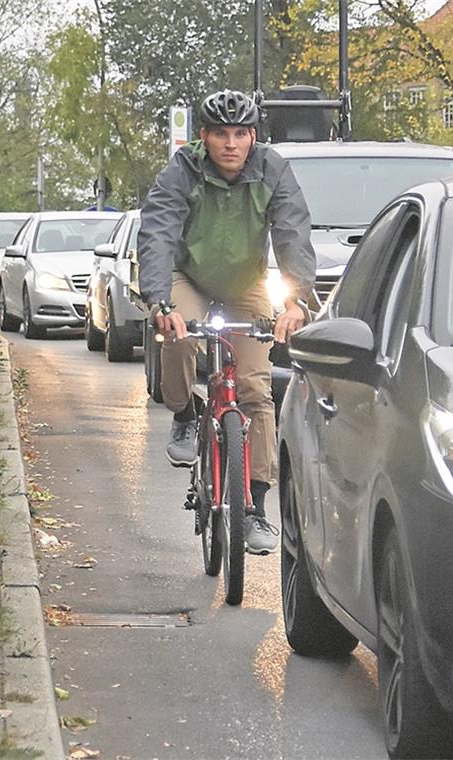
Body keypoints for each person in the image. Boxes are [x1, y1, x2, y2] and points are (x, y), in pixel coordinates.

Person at [137, 88, 316, 554]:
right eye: (220, 134)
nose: (231, 144)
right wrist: (161, 303)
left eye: (241, 133)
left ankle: (255, 508)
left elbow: (292, 232)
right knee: (177, 335)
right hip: (187, 276)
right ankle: (183, 414)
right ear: (204, 137)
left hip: (245, 284)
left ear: (254, 136)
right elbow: (157, 233)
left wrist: (296, 300)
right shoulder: (182, 171)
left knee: (255, 389)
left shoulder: (273, 169)